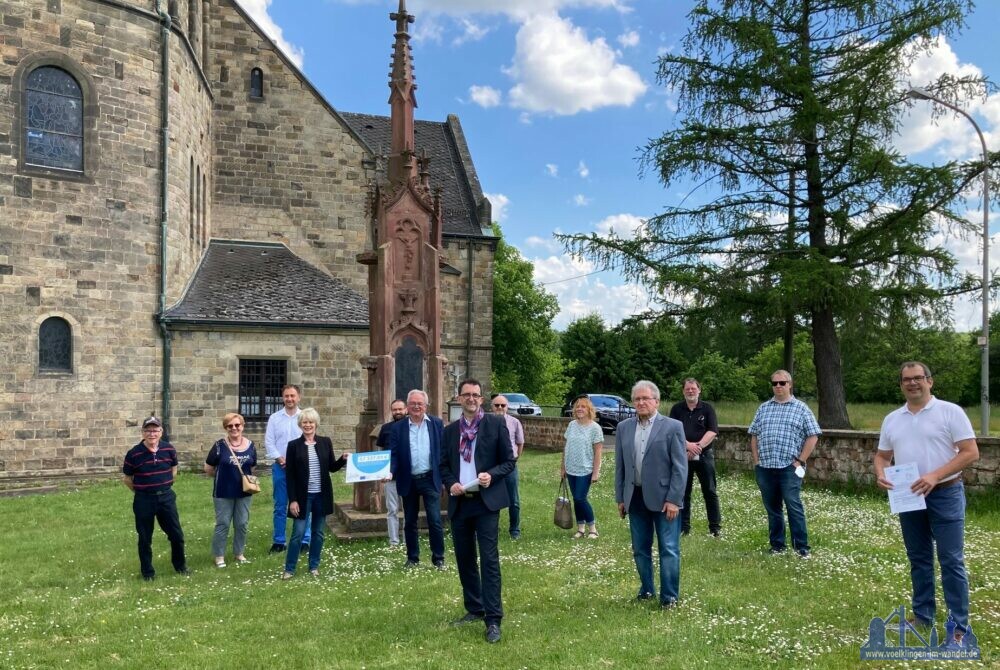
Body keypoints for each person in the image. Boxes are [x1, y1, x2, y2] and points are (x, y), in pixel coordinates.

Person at [874, 361, 979, 641]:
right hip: (909, 496)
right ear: (901, 385)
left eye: (918, 378)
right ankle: (922, 616)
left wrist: (934, 475)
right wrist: (880, 474)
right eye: (906, 379)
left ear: (929, 381)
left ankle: (958, 627)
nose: (912, 383)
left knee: (951, 560)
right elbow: (882, 456)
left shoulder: (950, 412)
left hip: (945, 492)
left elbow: (970, 452)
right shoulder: (892, 419)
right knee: (918, 559)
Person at [441, 378, 515, 644]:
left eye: (476, 395)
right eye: (466, 395)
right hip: (461, 501)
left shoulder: (495, 424)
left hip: (486, 501)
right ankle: (474, 607)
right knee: (464, 558)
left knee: (489, 559)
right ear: (459, 399)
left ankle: (493, 619)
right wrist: (452, 484)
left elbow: (509, 461)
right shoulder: (450, 431)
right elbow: (443, 465)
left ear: (481, 399)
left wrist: (491, 476)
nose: (471, 399)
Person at [614, 380, 687, 608]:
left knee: (669, 549)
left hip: (665, 499)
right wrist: (620, 497)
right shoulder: (623, 427)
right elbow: (620, 466)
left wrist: (674, 499)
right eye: (637, 399)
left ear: (657, 401)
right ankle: (646, 590)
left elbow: (680, 467)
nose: (641, 402)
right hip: (634, 498)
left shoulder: (673, 426)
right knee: (640, 549)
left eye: (646, 398)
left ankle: (669, 598)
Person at [748, 369, 820, 558]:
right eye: (775, 383)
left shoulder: (801, 408)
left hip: (790, 467)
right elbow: (754, 434)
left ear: (790, 384)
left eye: (782, 383)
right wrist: (756, 461)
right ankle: (777, 546)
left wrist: (801, 460)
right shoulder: (764, 408)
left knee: (793, 505)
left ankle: (802, 548)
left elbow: (813, 436)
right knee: (773, 509)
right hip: (765, 467)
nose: (778, 386)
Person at [281, 408, 347, 579]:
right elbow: (290, 476)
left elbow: (331, 467)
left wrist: (342, 460)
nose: (308, 425)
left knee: (318, 533)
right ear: (300, 424)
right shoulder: (293, 445)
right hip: (303, 497)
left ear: (316, 424)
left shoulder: (325, 442)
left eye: (311, 422)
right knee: (298, 533)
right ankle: (289, 569)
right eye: (305, 422)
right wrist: (293, 500)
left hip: (321, 495)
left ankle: (314, 566)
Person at [122, 416, 188, 581]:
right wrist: (142, 491)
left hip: (166, 497)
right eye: (148, 430)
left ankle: (180, 567)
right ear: (143, 432)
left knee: (176, 535)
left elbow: (174, 468)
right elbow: (127, 479)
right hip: (144, 500)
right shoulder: (134, 454)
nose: (152, 433)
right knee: (145, 538)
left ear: (161, 432)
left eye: (155, 430)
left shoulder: (168, 449)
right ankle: (148, 573)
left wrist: (165, 485)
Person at [387, 390, 446, 569]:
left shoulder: (436, 424)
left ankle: (439, 559)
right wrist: (390, 472)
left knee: (435, 520)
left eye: (419, 403)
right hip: (408, 479)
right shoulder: (398, 428)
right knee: (410, 521)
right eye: (412, 403)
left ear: (426, 406)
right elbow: (394, 454)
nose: (416, 406)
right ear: (407, 406)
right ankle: (412, 558)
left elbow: (443, 453)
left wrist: (444, 478)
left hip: (430, 479)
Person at [669, 378, 721, 537]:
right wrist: (687, 446)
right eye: (687, 389)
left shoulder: (707, 409)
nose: (690, 391)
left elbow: (712, 431)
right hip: (682, 455)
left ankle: (715, 528)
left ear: (699, 390)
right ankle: (684, 528)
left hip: (704, 455)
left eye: (693, 388)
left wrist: (697, 447)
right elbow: (672, 431)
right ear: (683, 391)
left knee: (710, 491)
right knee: (683, 492)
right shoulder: (677, 409)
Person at [204, 412, 257, 568]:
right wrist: (225, 477)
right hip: (223, 492)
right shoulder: (219, 446)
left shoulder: (251, 445)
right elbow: (208, 468)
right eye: (230, 426)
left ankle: (239, 554)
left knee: (242, 524)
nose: (234, 428)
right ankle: (219, 556)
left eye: (237, 425)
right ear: (226, 428)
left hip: (245, 492)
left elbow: (252, 466)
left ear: (242, 426)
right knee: (223, 524)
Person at [265, 384, 307, 554]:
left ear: (299, 397)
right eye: (286, 396)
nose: (290, 399)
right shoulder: (275, 418)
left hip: (301, 469)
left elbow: (309, 439)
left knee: (304, 503)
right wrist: (280, 458)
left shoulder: (305, 417)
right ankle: (279, 541)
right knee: (280, 504)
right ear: (283, 398)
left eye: (293, 396)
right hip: (281, 467)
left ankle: (305, 539)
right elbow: (269, 442)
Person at [561, 395, 604, 539]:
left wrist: (595, 473)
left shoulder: (595, 428)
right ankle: (580, 529)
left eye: (583, 407)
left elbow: (598, 452)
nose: (579, 409)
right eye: (577, 407)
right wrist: (563, 467)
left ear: (589, 409)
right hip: (570, 468)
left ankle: (592, 529)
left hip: (585, 469)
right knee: (576, 499)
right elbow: (566, 447)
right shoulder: (572, 425)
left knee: (580, 498)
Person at [491, 395, 525, 539]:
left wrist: (515, 458)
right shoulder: (486, 422)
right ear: (492, 407)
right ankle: (493, 528)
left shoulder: (515, 422)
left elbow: (520, 442)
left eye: (503, 405)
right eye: (497, 405)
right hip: (492, 466)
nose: (500, 408)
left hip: (509, 465)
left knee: (514, 500)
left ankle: (514, 529)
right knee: (492, 499)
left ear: (507, 407)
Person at [376, 399, 408, 547]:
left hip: (408, 476)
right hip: (391, 477)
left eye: (400, 409)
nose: (398, 412)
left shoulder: (411, 426)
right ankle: (394, 541)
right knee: (392, 510)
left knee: (408, 510)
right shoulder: (386, 428)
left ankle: (408, 539)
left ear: (406, 409)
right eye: (395, 410)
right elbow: (381, 451)